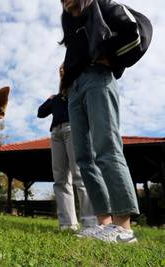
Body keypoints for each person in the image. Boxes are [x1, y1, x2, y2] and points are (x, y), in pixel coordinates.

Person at [59, 0, 140, 242]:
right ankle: (104, 224)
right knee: (84, 157)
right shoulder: (71, 23)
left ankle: (124, 227)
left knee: (106, 147)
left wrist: (112, 57)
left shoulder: (102, 5)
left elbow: (136, 30)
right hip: (74, 89)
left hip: (98, 79)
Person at [37, 64, 96, 231]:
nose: (62, 71)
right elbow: (40, 112)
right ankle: (67, 223)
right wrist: (49, 99)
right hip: (56, 134)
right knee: (60, 178)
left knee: (79, 174)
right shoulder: (55, 98)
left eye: (65, 68)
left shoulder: (76, 90)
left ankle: (90, 221)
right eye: (60, 70)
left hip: (72, 129)